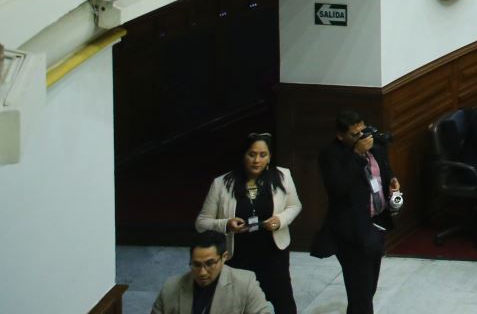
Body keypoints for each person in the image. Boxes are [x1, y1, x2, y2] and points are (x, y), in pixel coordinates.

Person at [194, 133, 301, 313]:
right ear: (243, 155)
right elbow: (201, 223)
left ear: (269, 157)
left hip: (273, 252)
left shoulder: (283, 175)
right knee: (238, 304)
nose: (257, 160)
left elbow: (294, 205)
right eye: (252, 154)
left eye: (262, 155)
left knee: (284, 302)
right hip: (238, 255)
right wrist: (226, 224)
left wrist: (280, 220)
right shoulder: (221, 184)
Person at [315, 112, 399, 314]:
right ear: (340, 135)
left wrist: (391, 180)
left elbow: (384, 168)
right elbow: (339, 188)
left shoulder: (373, 145)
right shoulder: (331, 156)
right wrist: (356, 155)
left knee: (368, 287)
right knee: (359, 290)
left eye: (363, 130)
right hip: (351, 231)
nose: (362, 136)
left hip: (376, 224)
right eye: (355, 134)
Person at [151, 231, 269, 314]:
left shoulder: (245, 283)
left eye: (210, 264)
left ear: (224, 257)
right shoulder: (171, 287)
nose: (202, 272)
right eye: (196, 264)